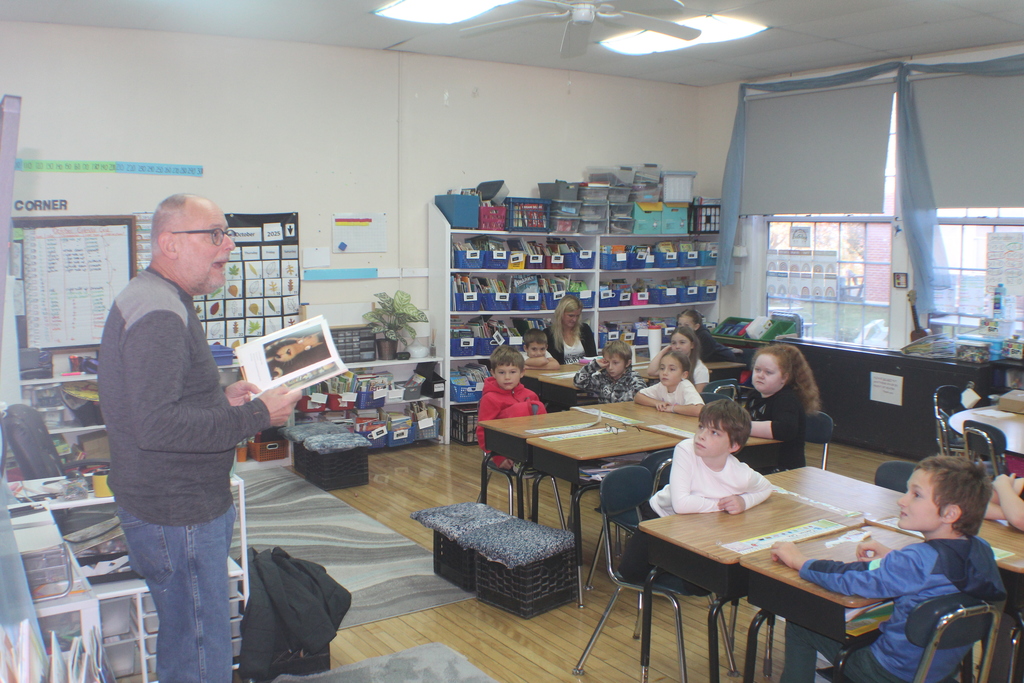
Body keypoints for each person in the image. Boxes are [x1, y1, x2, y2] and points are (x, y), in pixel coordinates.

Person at [99, 193, 301, 683]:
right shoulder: (161, 315)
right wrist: (256, 413)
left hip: (168, 505)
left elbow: (159, 404)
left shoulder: (153, 296)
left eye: (226, 233)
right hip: (178, 511)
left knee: (185, 632)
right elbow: (158, 426)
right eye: (214, 234)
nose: (228, 245)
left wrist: (220, 399)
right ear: (169, 243)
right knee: (200, 640)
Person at [771, 456, 1006, 683]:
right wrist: (894, 558)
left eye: (916, 495)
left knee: (800, 624)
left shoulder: (916, 560)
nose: (902, 500)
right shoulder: (981, 549)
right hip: (938, 670)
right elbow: (939, 574)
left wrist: (799, 561)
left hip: (890, 672)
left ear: (950, 513)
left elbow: (850, 578)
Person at [618, 399, 770, 582]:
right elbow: (681, 505)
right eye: (701, 427)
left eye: (714, 432)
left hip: (699, 526)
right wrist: (720, 505)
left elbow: (766, 488)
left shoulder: (740, 475)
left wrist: (744, 502)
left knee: (700, 583)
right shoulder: (686, 449)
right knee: (630, 573)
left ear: (733, 446)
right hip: (660, 518)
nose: (702, 436)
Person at [747, 343, 821, 471]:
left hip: (783, 466)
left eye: (768, 372)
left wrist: (740, 427)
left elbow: (784, 430)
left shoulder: (787, 399)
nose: (760, 375)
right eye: (757, 370)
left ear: (784, 378)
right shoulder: (754, 396)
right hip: (758, 459)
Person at [476, 344, 546, 469]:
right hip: (505, 452)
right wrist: (498, 458)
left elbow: (542, 426)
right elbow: (483, 432)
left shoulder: (530, 395)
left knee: (538, 407)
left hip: (532, 449)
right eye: (502, 372)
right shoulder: (490, 398)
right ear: (493, 373)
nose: (507, 377)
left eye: (512, 372)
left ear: (522, 372)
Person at [573, 339, 647, 403]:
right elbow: (579, 382)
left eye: (615, 363)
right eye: (607, 362)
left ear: (627, 363)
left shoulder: (633, 379)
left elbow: (641, 398)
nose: (610, 367)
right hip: (605, 415)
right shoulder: (602, 378)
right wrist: (594, 365)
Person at [634, 350, 705, 416]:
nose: (664, 373)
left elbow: (699, 409)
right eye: (662, 368)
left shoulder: (685, 386)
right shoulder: (662, 385)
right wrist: (656, 403)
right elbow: (638, 396)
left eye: (672, 369)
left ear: (684, 375)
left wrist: (672, 408)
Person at [644, 326, 709, 391]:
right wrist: (663, 351)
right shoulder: (670, 363)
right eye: (674, 343)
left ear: (692, 345)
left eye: (682, 342)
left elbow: (699, 396)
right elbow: (651, 371)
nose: (677, 346)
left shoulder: (700, 369)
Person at [545, 295, 596, 364]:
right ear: (561, 314)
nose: (574, 319)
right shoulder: (549, 333)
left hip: (584, 372)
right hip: (561, 373)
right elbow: (551, 361)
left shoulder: (585, 329)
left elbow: (593, 357)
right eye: (571, 315)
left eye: (577, 316)